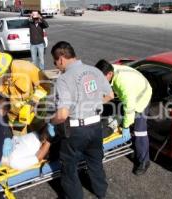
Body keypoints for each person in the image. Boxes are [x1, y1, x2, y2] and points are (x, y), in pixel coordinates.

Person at [50, 41, 114, 199]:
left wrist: (51, 122)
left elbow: (63, 114)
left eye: (55, 62)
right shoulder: (94, 71)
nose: (56, 66)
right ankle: (101, 192)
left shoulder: (64, 79)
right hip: (95, 125)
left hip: (76, 130)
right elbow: (110, 95)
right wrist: (94, 103)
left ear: (61, 59)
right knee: (95, 161)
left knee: (69, 167)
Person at [95, 59, 152, 176]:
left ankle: (144, 161)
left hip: (141, 98)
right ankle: (132, 145)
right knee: (119, 112)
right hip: (133, 90)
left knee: (139, 131)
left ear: (109, 74)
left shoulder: (123, 84)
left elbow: (130, 107)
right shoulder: (111, 70)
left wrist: (126, 126)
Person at [0, 51, 50, 133]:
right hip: (14, 118)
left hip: (36, 110)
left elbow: (45, 86)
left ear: (7, 70)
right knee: (18, 142)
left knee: (39, 132)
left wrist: (33, 102)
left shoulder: (26, 68)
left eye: (0, 78)